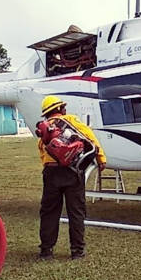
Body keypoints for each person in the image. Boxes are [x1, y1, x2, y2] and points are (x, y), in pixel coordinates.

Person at [37, 95, 106, 260]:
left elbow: (42, 151)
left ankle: (46, 250)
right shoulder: (70, 121)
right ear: (60, 108)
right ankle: (77, 251)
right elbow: (90, 138)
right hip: (73, 172)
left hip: (51, 173)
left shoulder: (45, 129)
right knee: (76, 212)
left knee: (49, 212)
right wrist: (101, 158)